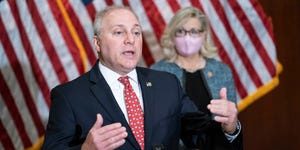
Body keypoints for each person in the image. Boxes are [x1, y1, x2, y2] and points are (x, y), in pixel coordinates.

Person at [42, 6, 241, 150]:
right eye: (119, 32)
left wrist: (229, 126)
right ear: (98, 43)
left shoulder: (167, 84)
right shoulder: (69, 96)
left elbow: (201, 139)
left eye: (136, 32)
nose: (131, 39)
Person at [151, 7, 242, 150]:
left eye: (193, 31)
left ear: (204, 35)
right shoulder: (157, 72)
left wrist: (231, 126)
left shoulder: (221, 71)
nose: (187, 37)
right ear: (172, 35)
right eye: (180, 31)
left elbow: (231, 123)